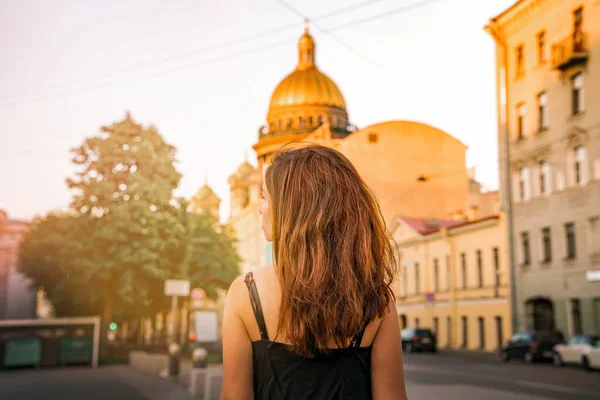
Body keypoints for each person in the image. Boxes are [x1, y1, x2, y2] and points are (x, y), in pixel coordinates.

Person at [221, 144, 408, 400]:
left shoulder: (245, 294)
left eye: (265, 198)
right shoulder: (377, 299)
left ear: (293, 210)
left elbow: (234, 396)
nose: (260, 208)